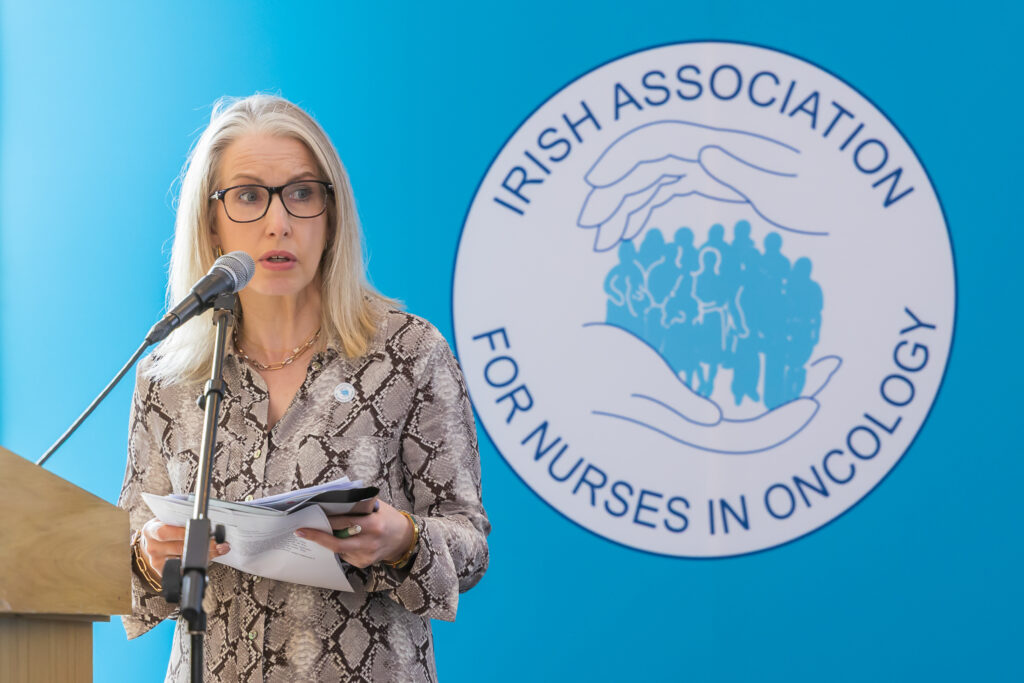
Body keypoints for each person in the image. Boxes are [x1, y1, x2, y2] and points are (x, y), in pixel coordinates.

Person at [118, 94, 490, 682]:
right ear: (210, 221)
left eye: (301, 193)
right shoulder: (169, 377)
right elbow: (130, 563)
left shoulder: (408, 353)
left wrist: (403, 538)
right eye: (248, 196)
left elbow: (470, 546)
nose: (278, 222)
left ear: (331, 215)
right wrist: (147, 555)